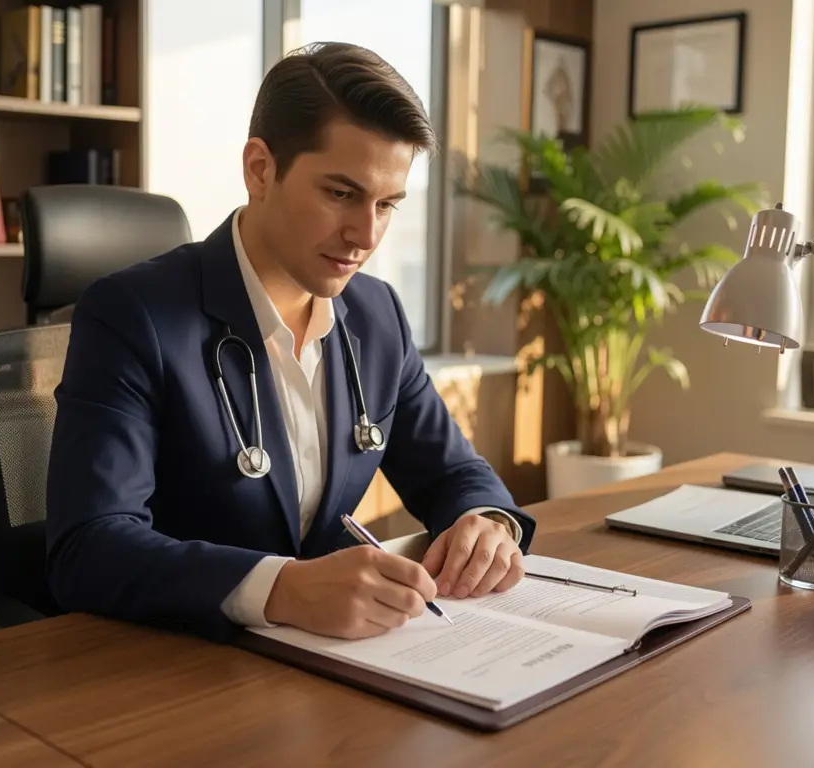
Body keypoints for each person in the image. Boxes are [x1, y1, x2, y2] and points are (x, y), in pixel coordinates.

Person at [44, 42, 537, 644]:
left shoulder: (377, 315)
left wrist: (485, 521)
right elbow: (88, 546)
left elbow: (453, 471)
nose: (365, 234)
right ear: (259, 168)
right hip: (178, 665)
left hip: (329, 668)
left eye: (387, 205)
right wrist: (281, 588)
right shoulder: (132, 315)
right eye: (340, 193)